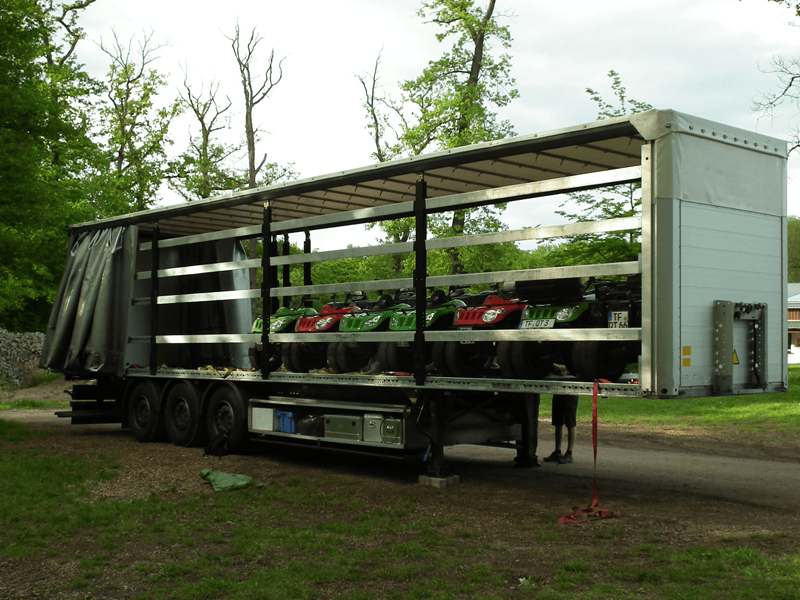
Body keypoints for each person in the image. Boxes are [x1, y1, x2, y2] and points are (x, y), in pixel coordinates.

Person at [543, 394, 578, 464]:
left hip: (571, 392)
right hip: (558, 392)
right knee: (558, 422)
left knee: (570, 423)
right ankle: (557, 451)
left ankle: (569, 453)